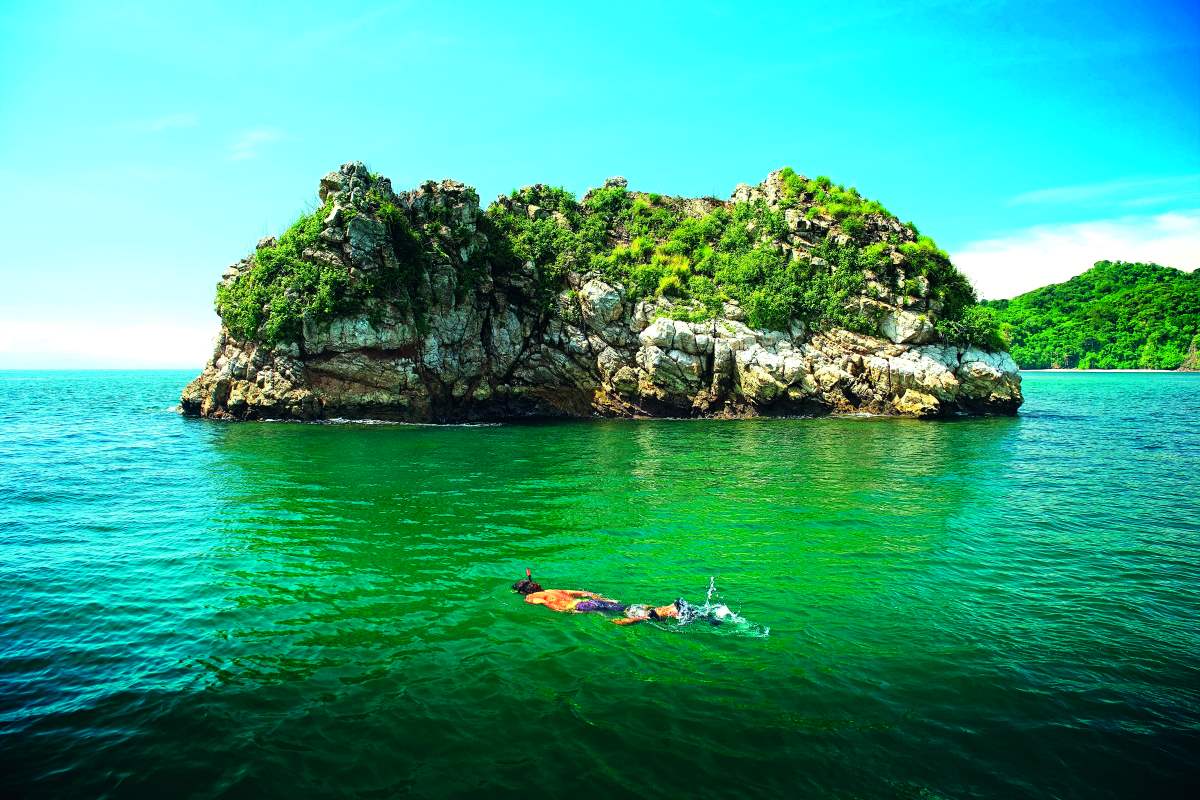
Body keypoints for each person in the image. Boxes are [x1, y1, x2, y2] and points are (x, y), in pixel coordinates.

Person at [512, 569, 683, 625]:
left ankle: (646, 617)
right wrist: (599, 597)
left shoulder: (531, 597)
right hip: (588, 601)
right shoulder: (553, 589)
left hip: (580, 608)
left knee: (616, 622)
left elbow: (540, 602)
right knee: (625, 607)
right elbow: (581, 593)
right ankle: (670, 608)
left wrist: (564, 612)